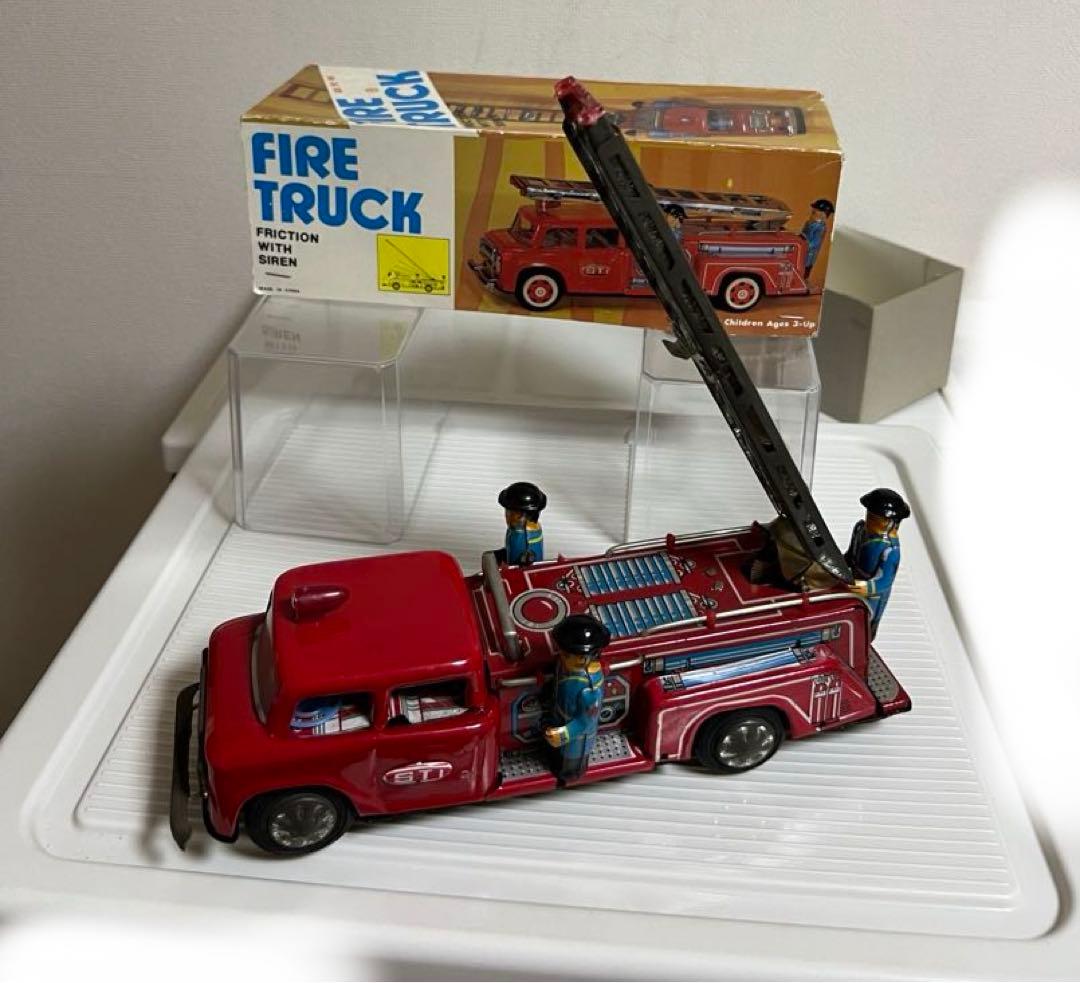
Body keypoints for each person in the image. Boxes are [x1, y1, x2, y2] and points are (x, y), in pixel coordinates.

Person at [544, 614, 610, 783]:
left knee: (569, 765)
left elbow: (586, 720)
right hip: (559, 718)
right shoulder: (565, 665)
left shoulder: (589, 688)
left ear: (586, 657)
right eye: (564, 652)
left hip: (577, 738)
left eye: (570, 655)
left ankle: (568, 777)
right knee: (555, 753)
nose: (564, 657)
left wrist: (565, 733)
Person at [846, 488, 910, 638]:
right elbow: (850, 555)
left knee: (863, 627)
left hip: (871, 597)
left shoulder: (890, 550)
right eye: (870, 516)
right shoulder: (860, 530)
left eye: (877, 519)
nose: (870, 521)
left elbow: (884, 582)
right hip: (851, 582)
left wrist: (860, 587)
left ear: (891, 522)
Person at [497, 481, 546, 565]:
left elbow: (532, 557)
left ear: (519, 516)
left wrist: (526, 560)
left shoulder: (526, 535)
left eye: (509, 513)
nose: (506, 516)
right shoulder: (514, 530)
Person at [800, 198, 834, 277]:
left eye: (814, 212)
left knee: (804, 271)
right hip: (802, 251)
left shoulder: (820, 227)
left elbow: (815, 242)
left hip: (808, 255)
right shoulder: (809, 223)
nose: (812, 213)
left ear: (823, 215)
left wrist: (803, 242)